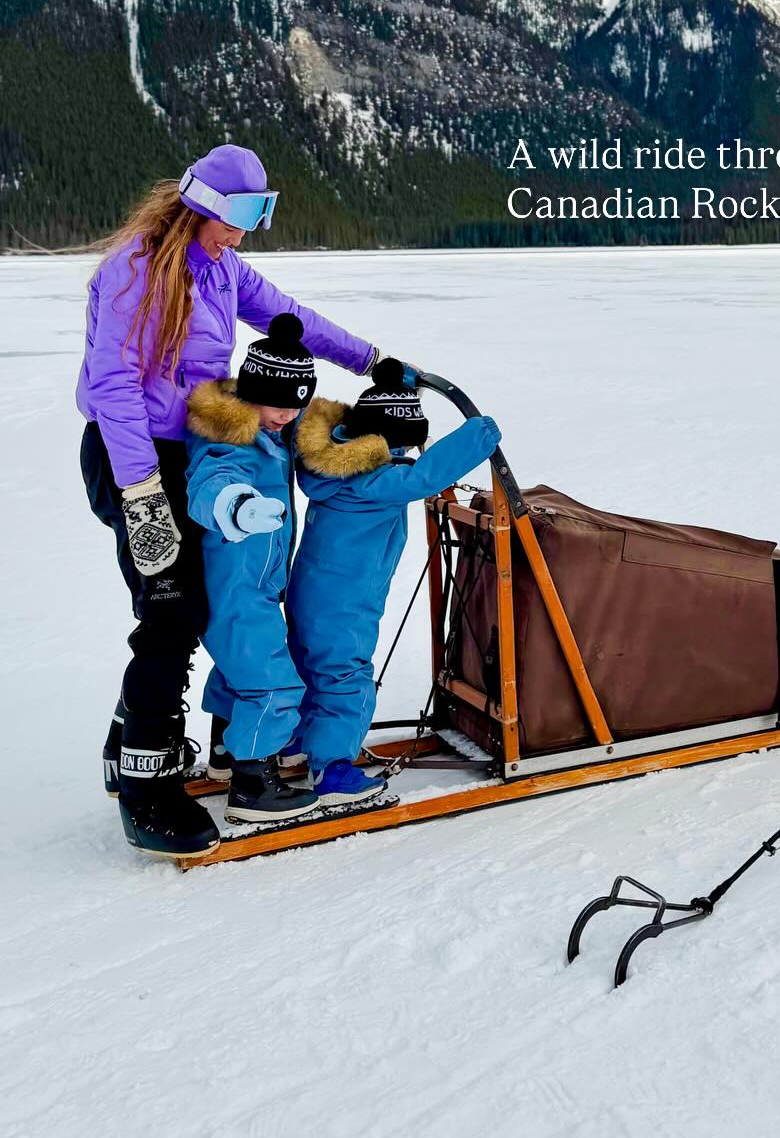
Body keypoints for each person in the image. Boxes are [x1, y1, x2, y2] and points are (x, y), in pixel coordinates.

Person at [77, 145, 393, 858]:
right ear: (202, 204)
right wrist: (142, 494)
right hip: (132, 455)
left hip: (189, 451)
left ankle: (125, 734)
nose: (246, 231)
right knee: (172, 608)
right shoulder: (138, 268)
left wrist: (370, 359)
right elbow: (114, 389)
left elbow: (287, 316)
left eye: (261, 215)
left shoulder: (220, 267)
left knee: (191, 599)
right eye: (240, 215)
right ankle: (145, 784)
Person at [287, 362, 500, 807]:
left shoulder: (331, 469)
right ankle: (332, 769)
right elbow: (425, 476)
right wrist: (479, 434)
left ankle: (293, 746)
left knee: (310, 667)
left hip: (308, 595)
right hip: (348, 603)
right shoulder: (377, 482)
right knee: (346, 676)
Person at [184, 315, 325, 827]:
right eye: (278, 403)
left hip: (260, 584)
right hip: (235, 587)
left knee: (239, 670)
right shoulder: (230, 434)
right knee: (271, 683)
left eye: (296, 403)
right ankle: (253, 782)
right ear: (251, 392)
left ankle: (225, 751)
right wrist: (235, 506)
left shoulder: (276, 430)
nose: (286, 414)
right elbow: (211, 477)